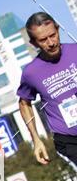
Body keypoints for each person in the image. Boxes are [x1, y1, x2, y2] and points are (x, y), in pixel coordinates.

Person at [18, 12, 77, 169]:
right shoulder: (31, 73)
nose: (51, 43)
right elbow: (24, 103)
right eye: (43, 40)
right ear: (34, 43)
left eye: (52, 35)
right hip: (69, 139)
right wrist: (36, 139)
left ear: (57, 30)